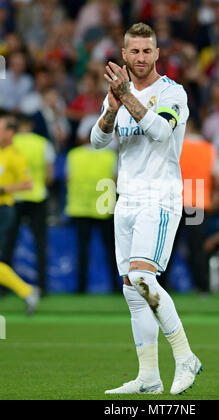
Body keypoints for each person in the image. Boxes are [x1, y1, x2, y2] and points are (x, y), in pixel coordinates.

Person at [91, 23, 202, 396]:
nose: (140, 58)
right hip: (126, 200)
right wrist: (111, 107)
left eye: (147, 51)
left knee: (142, 279)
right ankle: (149, 377)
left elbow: (160, 132)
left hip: (160, 197)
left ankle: (185, 356)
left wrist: (127, 96)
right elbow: (97, 140)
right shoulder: (118, 96)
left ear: (157, 54)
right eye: (134, 52)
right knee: (132, 292)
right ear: (124, 55)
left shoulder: (173, 93)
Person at [161, 118, 219, 292]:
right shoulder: (209, 149)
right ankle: (203, 287)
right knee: (197, 247)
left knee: (168, 246)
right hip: (197, 199)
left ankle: (161, 286)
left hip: (174, 199)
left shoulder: (175, 145)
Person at [2, 114, 55, 295]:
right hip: (38, 198)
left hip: (14, 199)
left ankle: (4, 288)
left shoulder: (10, 144)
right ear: (31, 125)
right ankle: (43, 287)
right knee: (40, 245)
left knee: (8, 245)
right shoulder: (42, 143)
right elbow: (50, 174)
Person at [65, 115, 118, 293]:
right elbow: (116, 181)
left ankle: (81, 288)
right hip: (104, 209)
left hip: (79, 207)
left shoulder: (73, 155)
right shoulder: (110, 156)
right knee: (111, 251)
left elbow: (68, 178)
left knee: (82, 250)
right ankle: (116, 287)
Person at [0, 111, 40, 315]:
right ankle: (28, 291)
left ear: (10, 133)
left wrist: (4, 189)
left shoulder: (15, 157)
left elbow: (28, 183)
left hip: (4, 210)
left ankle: (27, 291)